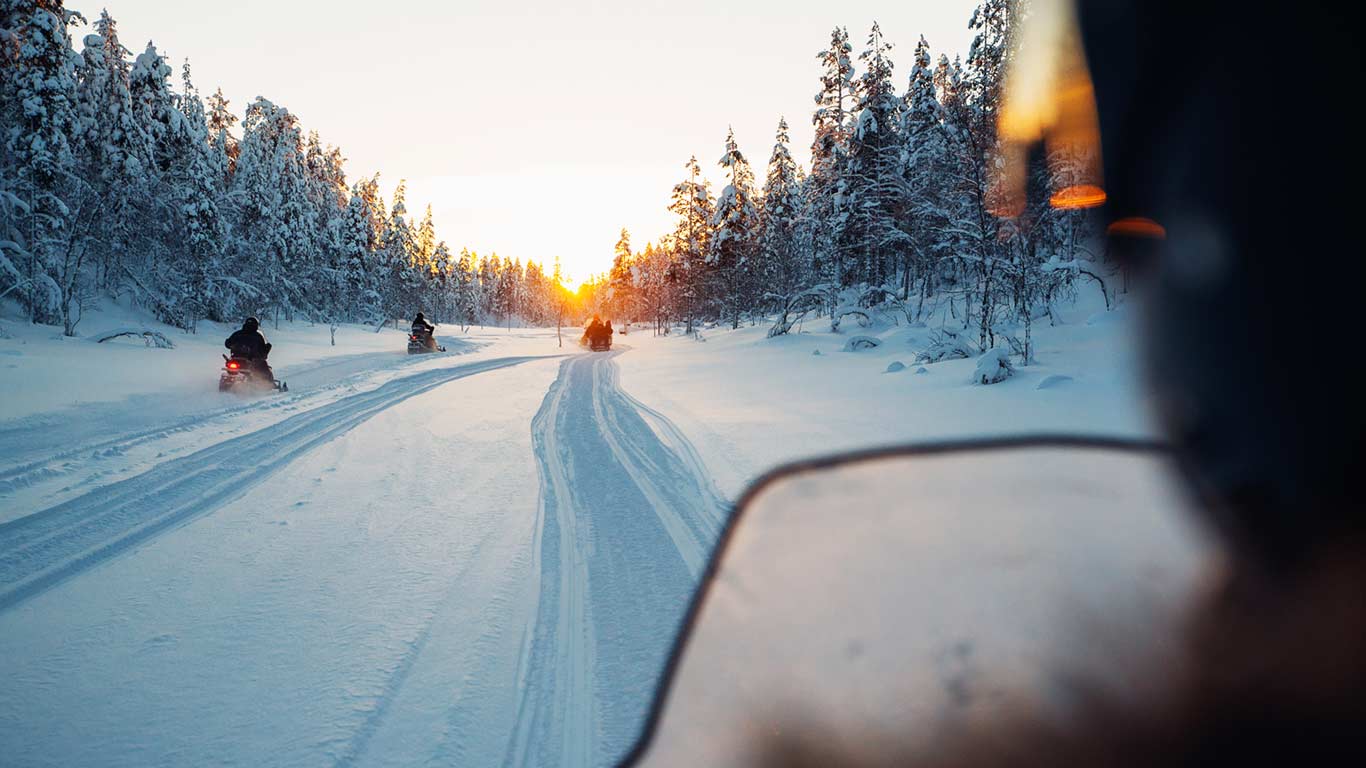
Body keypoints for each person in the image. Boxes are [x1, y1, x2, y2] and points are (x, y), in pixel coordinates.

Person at [224, 317, 274, 381]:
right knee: (264, 367)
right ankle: (269, 384)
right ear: (256, 325)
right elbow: (262, 350)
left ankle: (264, 383)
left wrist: (231, 345)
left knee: (262, 366)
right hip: (252, 360)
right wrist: (265, 351)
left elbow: (227, 343)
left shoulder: (237, 333)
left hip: (236, 358)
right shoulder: (257, 336)